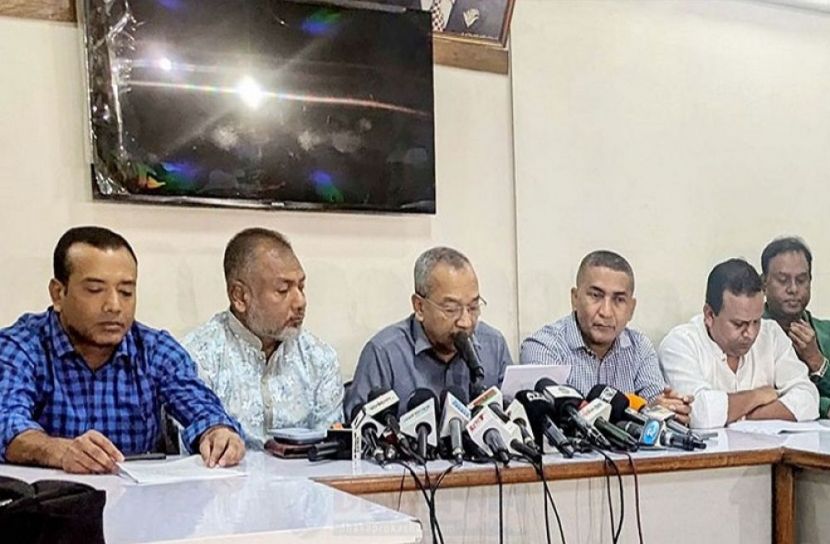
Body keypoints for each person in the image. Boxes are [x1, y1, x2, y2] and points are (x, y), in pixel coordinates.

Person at [0, 226, 245, 474]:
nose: (114, 306)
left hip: (137, 494)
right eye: (95, 290)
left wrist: (218, 432)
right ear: (58, 293)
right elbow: (6, 421)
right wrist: (59, 451)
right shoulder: (21, 347)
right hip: (52, 496)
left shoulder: (154, 349)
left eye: (126, 292)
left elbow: (203, 409)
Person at [183, 228, 343, 448]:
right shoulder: (198, 358)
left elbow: (331, 449)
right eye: (283, 290)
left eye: (301, 287)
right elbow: (192, 450)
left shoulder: (319, 358)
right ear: (240, 296)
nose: (300, 302)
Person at [520, 250, 693, 423]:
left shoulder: (640, 347)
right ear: (575, 298)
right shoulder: (543, 347)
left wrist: (665, 409)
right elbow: (551, 422)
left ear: (631, 309)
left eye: (619, 300)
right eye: (596, 296)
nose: (606, 312)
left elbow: (653, 404)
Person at [344, 246, 512, 418]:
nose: (465, 321)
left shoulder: (494, 346)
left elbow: (514, 419)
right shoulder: (383, 354)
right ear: (419, 307)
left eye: (473, 307)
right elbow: (359, 428)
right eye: (451, 309)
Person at [659, 258, 818, 428]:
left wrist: (742, 416)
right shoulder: (680, 344)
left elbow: (808, 399)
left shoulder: (771, 334)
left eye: (756, 321)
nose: (750, 333)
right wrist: (758, 396)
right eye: (739, 324)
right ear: (710, 315)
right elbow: (699, 412)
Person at [761, 237, 830, 418]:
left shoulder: (826, 333)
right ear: (764, 283)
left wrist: (817, 361)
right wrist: (824, 406)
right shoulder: (748, 332)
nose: (793, 289)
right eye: (783, 280)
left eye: (801, 280)